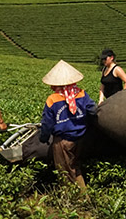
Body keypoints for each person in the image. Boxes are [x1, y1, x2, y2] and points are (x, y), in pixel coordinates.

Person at [39, 60, 97, 189]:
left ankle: (71, 198)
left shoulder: (53, 99)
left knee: (64, 170)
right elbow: (93, 111)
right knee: (75, 166)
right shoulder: (82, 94)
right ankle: (83, 193)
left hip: (63, 141)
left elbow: (47, 123)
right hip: (80, 137)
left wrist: (43, 137)